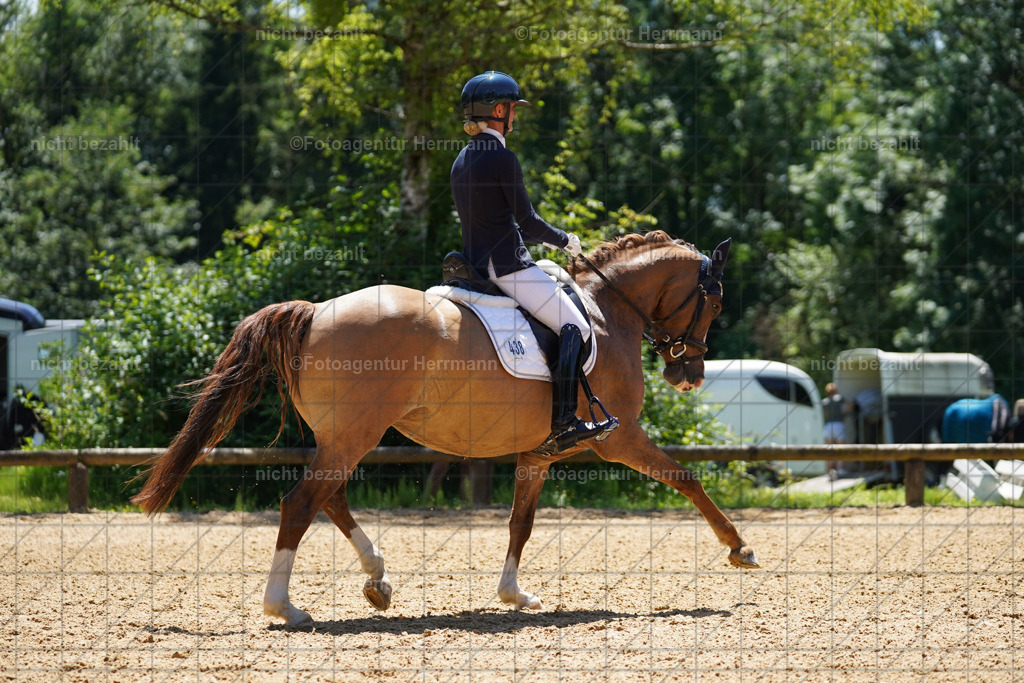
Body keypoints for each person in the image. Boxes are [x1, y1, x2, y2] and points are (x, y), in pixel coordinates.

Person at [450, 70, 618, 452]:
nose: (515, 117)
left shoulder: (462, 158)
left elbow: (491, 219)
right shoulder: (502, 157)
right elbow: (526, 221)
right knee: (575, 325)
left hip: (474, 262)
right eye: (512, 109)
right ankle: (563, 423)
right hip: (505, 266)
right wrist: (565, 241)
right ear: (498, 110)